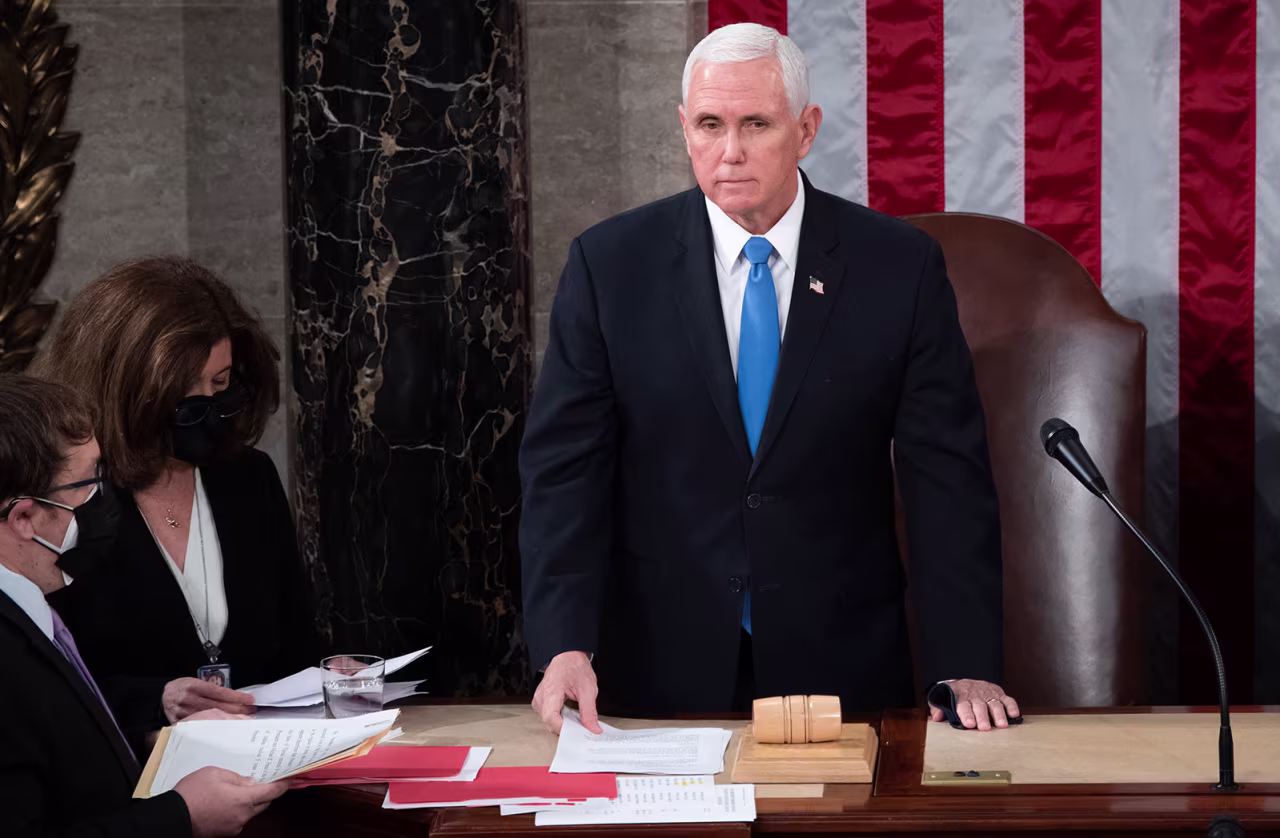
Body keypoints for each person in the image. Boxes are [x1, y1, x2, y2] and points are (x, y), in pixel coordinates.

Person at [520, 23, 1018, 734]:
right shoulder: (610, 268)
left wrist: (964, 659)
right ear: (683, 128)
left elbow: (949, 478)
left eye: (757, 124)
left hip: (843, 672)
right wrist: (564, 642)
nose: (730, 151)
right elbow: (563, 475)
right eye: (710, 125)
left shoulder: (897, 269)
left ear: (806, 130)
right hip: (657, 675)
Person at [38, 256, 321, 755]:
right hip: (126, 784)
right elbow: (42, 683)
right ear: (125, 390)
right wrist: (158, 698)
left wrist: (330, 678)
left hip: (265, 768)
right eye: (182, 394)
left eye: (219, 384)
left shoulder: (248, 478)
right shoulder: (61, 500)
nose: (206, 412)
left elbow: (295, 645)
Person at [0, 374, 287, 837]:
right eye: (89, 483)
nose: (104, 498)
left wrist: (160, 741)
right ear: (24, 518)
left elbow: (60, 760)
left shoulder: (32, 611)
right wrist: (183, 816)